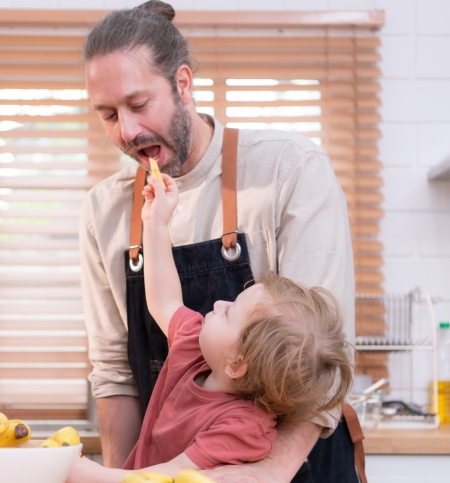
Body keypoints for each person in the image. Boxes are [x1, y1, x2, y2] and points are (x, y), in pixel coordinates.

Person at [79, 1, 360, 481]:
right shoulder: (105, 211)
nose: (126, 132)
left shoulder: (288, 171)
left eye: (138, 104)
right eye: (108, 115)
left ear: (183, 84)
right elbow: (115, 373)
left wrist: (269, 471)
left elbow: (323, 360)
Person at [68, 174, 352, 483]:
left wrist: (94, 475)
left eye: (230, 312)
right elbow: (164, 301)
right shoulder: (193, 343)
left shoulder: (243, 428)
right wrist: (155, 224)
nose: (218, 303)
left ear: (236, 364)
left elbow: (174, 474)